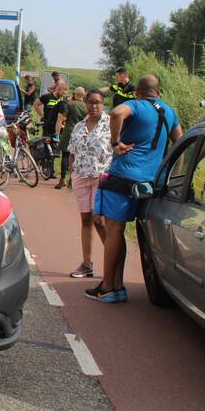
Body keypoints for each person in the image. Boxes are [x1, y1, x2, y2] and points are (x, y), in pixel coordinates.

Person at [86, 75, 183, 303]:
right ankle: (117, 285)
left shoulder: (136, 105)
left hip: (124, 177)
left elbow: (116, 113)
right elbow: (180, 143)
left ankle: (109, 287)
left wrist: (115, 143)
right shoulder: (169, 112)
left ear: (137, 91)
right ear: (158, 92)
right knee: (126, 232)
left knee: (114, 230)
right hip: (150, 181)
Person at [66, 90, 111, 278]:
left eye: (98, 102)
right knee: (85, 220)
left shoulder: (111, 124)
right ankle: (87, 264)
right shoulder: (79, 126)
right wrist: (71, 173)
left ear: (103, 104)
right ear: (85, 103)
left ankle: (114, 263)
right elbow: (72, 152)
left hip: (102, 179)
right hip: (80, 177)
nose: (94, 106)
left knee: (99, 221)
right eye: (91, 102)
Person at [55, 87, 87, 189]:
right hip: (81, 133)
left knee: (65, 156)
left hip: (69, 132)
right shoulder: (86, 107)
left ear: (75, 94)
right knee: (77, 157)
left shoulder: (70, 104)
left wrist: (57, 133)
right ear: (84, 95)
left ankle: (62, 180)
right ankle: (72, 180)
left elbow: (63, 118)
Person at [34, 80, 67, 161]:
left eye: (65, 91)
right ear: (58, 89)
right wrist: (42, 116)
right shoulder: (47, 97)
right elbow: (36, 104)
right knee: (46, 147)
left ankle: (50, 166)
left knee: (54, 150)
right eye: (63, 91)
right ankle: (43, 163)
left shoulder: (63, 100)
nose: (64, 93)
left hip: (58, 128)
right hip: (47, 126)